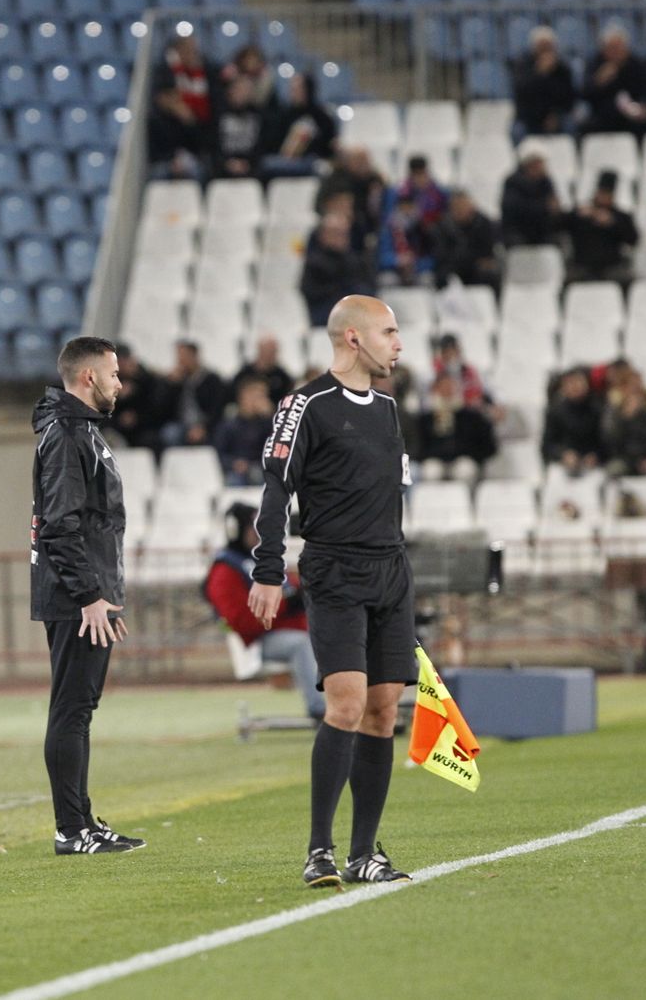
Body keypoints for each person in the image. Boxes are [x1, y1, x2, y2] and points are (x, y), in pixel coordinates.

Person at [248, 295, 418, 888]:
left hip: (391, 571)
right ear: (353, 338)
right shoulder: (306, 404)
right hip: (335, 570)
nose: (399, 343)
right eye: (389, 332)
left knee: (383, 712)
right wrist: (268, 569)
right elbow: (275, 488)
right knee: (346, 703)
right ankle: (318, 851)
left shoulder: (390, 409)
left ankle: (364, 852)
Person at [29, 338, 142, 855]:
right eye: (114, 374)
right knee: (72, 709)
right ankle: (70, 829)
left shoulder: (82, 431)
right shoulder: (67, 433)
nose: (120, 383)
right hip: (79, 597)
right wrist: (90, 595)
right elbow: (58, 524)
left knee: (79, 708)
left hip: (87, 592)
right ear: (88, 378)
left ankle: (80, 822)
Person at [203, 503, 325, 721]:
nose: (260, 532)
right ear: (238, 530)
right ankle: (319, 708)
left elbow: (293, 588)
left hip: (293, 628)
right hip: (258, 640)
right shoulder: (225, 570)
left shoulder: (262, 558)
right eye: (253, 527)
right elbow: (242, 620)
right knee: (302, 644)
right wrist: (287, 605)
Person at [147, 33, 216, 176]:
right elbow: (161, 98)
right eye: (188, 50)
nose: (192, 54)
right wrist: (174, 106)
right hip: (167, 144)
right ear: (178, 50)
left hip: (195, 143)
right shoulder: (164, 70)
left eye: (194, 50)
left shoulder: (205, 70)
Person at [564, 170, 639, 284]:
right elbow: (559, 225)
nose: (603, 197)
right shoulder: (581, 212)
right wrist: (576, 215)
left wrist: (612, 223)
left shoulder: (621, 216)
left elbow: (633, 240)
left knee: (627, 280)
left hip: (612, 266)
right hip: (582, 266)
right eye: (601, 193)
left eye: (607, 194)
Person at [300, 213, 372, 326]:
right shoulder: (314, 263)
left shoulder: (357, 261)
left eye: (344, 234)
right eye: (335, 233)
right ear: (323, 235)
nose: (341, 238)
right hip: (327, 321)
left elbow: (368, 290)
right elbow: (311, 292)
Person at [261, 72, 338, 176]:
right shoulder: (283, 115)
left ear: (308, 90)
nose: (293, 93)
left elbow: (328, 146)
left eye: (297, 89)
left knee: (322, 168)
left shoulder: (322, 117)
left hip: (311, 161)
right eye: (292, 89)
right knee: (266, 164)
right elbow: (273, 143)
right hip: (285, 161)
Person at [582, 24, 646, 136]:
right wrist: (598, 82)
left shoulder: (637, 65)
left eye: (618, 47)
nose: (615, 52)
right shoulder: (595, 64)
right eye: (611, 48)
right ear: (604, 49)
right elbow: (585, 94)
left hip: (632, 115)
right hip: (603, 115)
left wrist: (644, 106)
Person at [511, 26, 578, 138]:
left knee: (572, 127)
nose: (544, 50)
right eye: (541, 47)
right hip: (529, 117)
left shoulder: (563, 68)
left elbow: (569, 98)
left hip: (557, 116)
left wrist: (555, 115)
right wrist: (540, 74)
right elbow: (522, 93)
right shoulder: (522, 66)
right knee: (517, 132)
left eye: (548, 47)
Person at [160, 340, 228, 447]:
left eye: (184, 356)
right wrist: (170, 385)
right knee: (170, 433)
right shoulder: (176, 380)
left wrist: (203, 428)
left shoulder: (211, 379)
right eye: (179, 356)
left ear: (195, 356)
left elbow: (217, 409)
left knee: (221, 433)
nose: (181, 360)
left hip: (206, 424)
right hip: (182, 425)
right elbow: (163, 409)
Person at [602, 370, 646, 478]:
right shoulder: (614, 410)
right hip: (626, 460)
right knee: (613, 470)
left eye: (639, 384)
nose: (636, 389)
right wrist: (625, 418)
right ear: (623, 388)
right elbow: (611, 441)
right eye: (632, 385)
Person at [431, 190, 501, 290]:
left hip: (475, 269)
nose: (460, 210)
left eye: (463, 206)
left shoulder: (483, 223)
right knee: (442, 276)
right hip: (453, 268)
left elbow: (487, 253)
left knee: (490, 273)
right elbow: (441, 254)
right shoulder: (443, 226)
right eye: (457, 207)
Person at [214, 376, 276, 486]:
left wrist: (271, 418)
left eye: (263, 396)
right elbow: (218, 454)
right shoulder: (229, 425)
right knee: (234, 480)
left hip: (260, 469)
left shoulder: (268, 423)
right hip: (236, 470)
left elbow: (277, 449)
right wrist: (234, 463)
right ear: (243, 397)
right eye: (257, 396)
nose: (261, 401)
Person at [541, 368, 605, 473]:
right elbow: (547, 445)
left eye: (578, 381)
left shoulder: (598, 408)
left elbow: (606, 441)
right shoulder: (555, 411)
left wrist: (596, 455)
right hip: (563, 466)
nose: (575, 386)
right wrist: (563, 454)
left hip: (595, 466)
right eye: (570, 383)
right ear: (563, 387)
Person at [499, 144, 561, 247]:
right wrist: (543, 207)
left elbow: (552, 204)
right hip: (518, 229)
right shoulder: (512, 182)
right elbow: (513, 208)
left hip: (540, 228)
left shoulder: (545, 181)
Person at [232, 335, 294, 409]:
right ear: (259, 350)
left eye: (273, 351)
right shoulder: (245, 374)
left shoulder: (283, 377)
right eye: (267, 350)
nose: (269, 354)